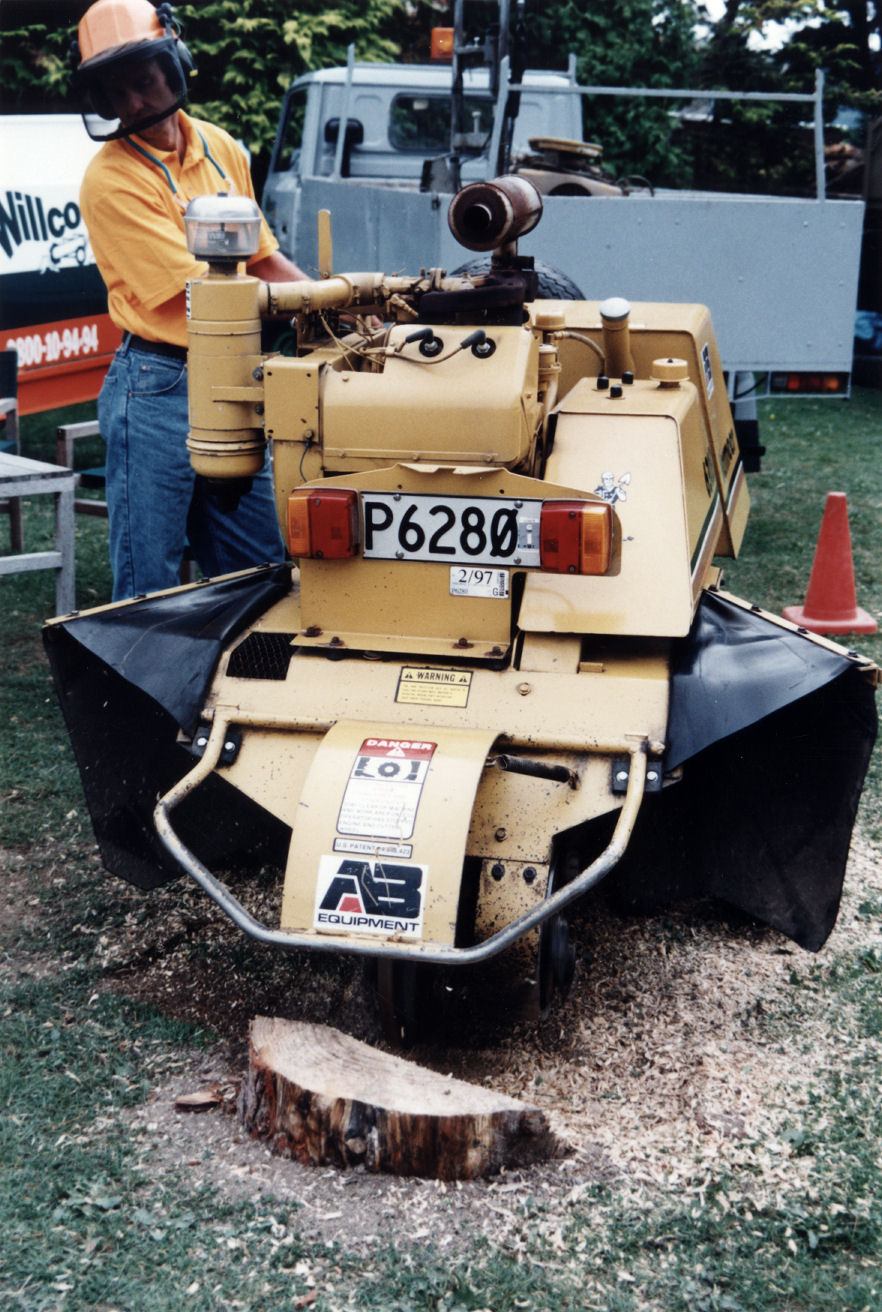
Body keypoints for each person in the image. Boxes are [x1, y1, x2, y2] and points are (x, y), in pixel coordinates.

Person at [72, 0, 307, 600]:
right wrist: (306, 304)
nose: (133, 104)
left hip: (232, 377)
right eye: (115, 93)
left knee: (255, 571)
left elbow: (263, 260)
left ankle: (236, 688)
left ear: (174, 63)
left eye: (143, 82)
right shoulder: (111, 181)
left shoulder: (221, 147)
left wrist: (333, 303)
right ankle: (141, 691)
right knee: (149, 575)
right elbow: (203, 297)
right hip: (158, 384)